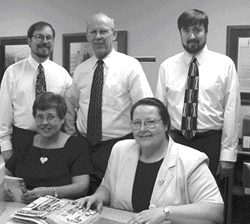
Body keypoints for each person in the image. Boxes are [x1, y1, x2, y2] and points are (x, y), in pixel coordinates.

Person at [75, 98, 224, 224]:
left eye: (150, 122)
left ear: (166, 125)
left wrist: (166, 212)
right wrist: (98, 197)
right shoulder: (120, 150)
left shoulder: (191, 160)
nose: (142, 129)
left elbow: (215, 210)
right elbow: (107, 188)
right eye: (136, 123)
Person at [65, 13, 153, 194]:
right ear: (87, 36)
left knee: (117, 196)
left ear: (114, 34)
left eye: (103, 31)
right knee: (86, 195)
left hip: (119, 146)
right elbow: (70, 101)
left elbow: (145, 106)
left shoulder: (130, 66)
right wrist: (71, 133)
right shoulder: (81, 70)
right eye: (93, 32)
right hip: (85, 146)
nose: (98, 37)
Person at [155, 9, 240, 185]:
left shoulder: (225, 65)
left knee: (208, 201)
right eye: (186, 31)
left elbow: (231, 111)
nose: (192, 36)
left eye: (197, 30)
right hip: (175, 141)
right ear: (180, 33)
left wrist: (227, 155)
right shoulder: (167, 67)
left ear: (206, 31)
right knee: (173, 196)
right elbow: (159, 112)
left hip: (210, 143)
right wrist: (158, 148)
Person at [0, 21, 72, 162]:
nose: (44, 41)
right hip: (22, 139)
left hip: (55, 140)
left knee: (51, 181)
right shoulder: (12, 72)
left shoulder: (62, 74)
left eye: (49, 37)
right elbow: (4, 113)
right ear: (29, 41)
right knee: (21, 183)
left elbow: (69, 113)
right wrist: (5, 148)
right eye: (39, 37)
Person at [5, 92, 93, 203]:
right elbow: (5, 174)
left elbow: (82, 187)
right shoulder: (26, 144)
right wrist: (5, 190)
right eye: (40, 117)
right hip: (22, 207)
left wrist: (50, 192)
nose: (44, 122)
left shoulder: (77, 146)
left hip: (61, 208)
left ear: (62, 119)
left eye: (51, 117)